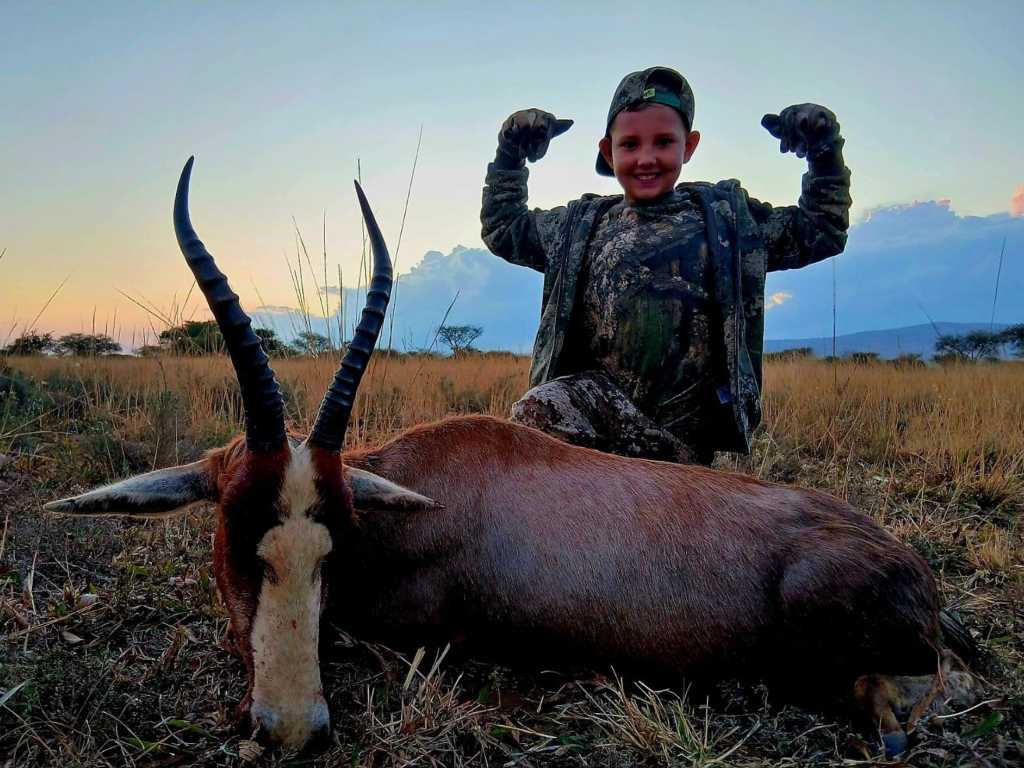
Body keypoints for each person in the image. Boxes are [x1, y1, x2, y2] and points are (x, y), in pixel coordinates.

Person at [480, 66, 851, 465]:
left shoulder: (727, 221)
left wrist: (824, 151)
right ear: (608, 151)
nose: (646, 158)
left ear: (689, 146)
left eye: (664, 142)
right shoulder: (578, 228)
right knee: (536, 411)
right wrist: (510, 155)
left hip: (681, 450)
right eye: (630, 144)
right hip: (594, 442)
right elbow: (504, 228)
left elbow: (821, 230)